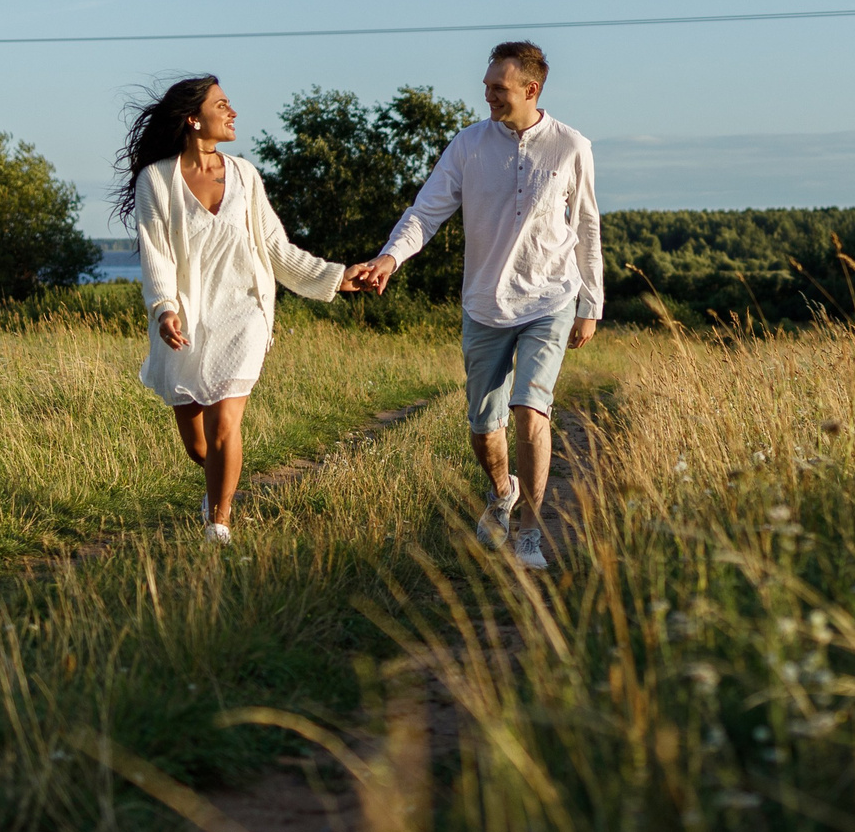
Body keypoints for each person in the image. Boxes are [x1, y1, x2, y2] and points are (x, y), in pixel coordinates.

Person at [349, 40, 600, 571]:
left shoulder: (571, 146)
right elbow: (425, 212)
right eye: (487, 85)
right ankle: (501, 491)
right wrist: (390, 259)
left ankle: (529, 532)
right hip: (484, 304)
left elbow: (586, 226)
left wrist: (590, 301)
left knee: (530, 407)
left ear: (531, 90)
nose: (486, 94)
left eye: (498, 88)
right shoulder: (467, 145)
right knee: (484, 428)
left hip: (549, 298)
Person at [116, 75, 359, 543]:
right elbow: (157, 253)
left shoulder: (245, 175)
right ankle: (217, 485)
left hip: (243, 313)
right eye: (222, 105)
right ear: (193, 118)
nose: (232, 113)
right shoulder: (156, 180)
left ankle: (219, 524)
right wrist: (165, 309)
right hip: (186, 318)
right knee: (198, 445)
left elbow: (274, 247)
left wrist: (336, 275)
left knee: (225, 424)